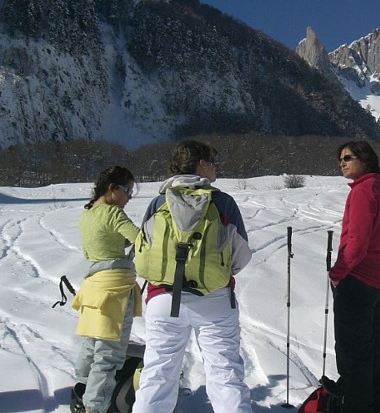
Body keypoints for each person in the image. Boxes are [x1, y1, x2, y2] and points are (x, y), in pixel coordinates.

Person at [133, 139, 253, 413]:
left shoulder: (158, 203)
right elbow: (241, 255)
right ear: (201, 164)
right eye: (211, 161)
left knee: (157, 376)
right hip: (215, 300)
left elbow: (143, 256)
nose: (215, 167)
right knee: (225, 375)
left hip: (163, 300)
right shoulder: (222, 203)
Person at [329, 140, 380, 413]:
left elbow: (356, 243)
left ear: (366, 159)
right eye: (340, 159)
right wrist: (379, 268)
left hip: (357, 284)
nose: (342, 162)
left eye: (348, 157)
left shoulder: (362, 192)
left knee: (354, 359)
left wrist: (338, 273)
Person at [71, 166, 142, 413]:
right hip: (115, 290)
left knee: (92, 346)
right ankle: (96, 407)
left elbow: (97, 247)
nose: (129, 197)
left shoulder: (88, 214)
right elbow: (140, 239)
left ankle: (80, 393)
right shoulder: (113, 214)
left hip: (92, 288)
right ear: (111, 188)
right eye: (127, 191)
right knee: (109, 355)